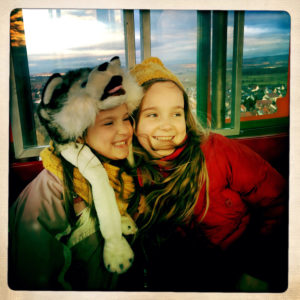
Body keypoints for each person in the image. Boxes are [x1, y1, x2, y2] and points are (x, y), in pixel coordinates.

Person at [128, 57, 288, 292]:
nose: (167, 126)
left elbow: (279, 199)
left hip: (241, 264)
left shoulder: (218, 151)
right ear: (132, 122)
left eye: (176, 114)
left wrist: (257, 270)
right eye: (152, 115)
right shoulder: (132, 174)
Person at [8, 72, 141, 290]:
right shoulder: (50, 194)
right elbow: (33, 283)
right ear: (77, 133)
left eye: (126, 117)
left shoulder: (121, 172)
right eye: (108, 122)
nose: (125, 130)